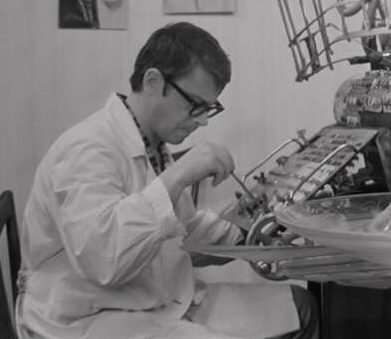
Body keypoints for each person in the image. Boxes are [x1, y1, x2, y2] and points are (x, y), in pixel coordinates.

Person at [18, 22, 319, 339]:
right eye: (195, 105)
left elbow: (182, 231)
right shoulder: (87, 149)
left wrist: (249, 233)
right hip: (87, 319)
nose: (203, 121)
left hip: (151, 302)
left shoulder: (151, 144)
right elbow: (103, 262)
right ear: (153, 81)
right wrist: (179, 174)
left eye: (209, 108)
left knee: (300, 307)